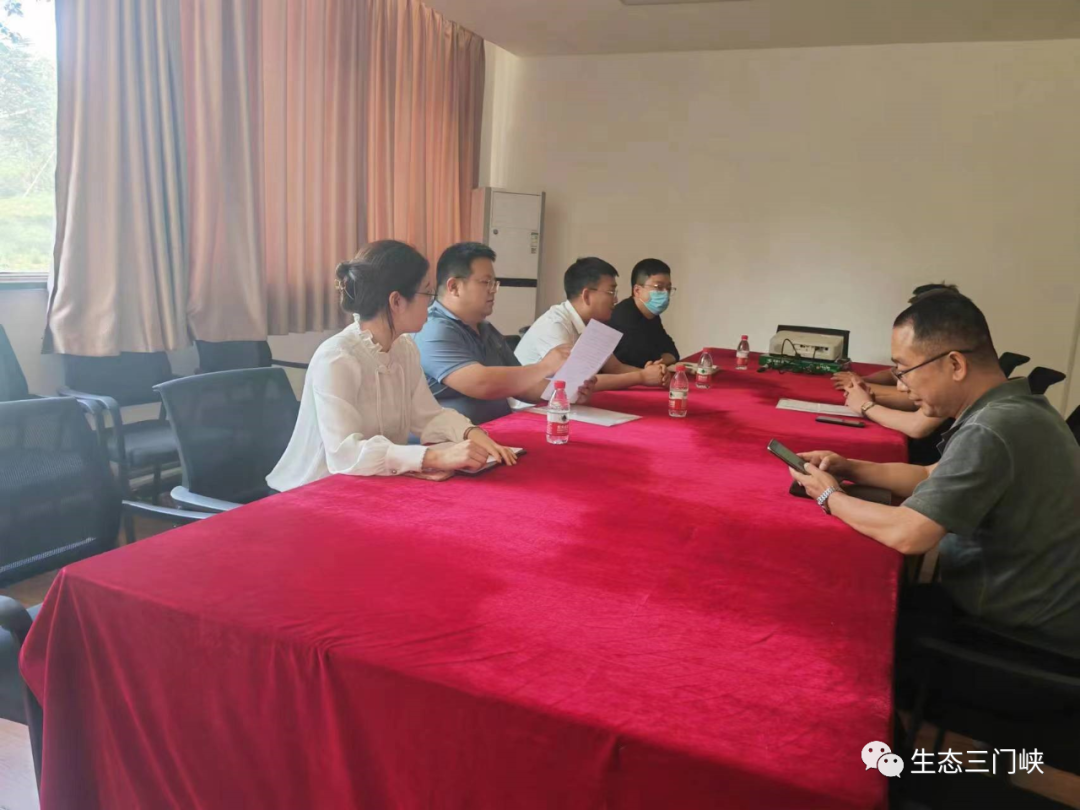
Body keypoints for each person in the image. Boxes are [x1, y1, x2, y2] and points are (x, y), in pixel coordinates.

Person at [789, 293, 1080, 643]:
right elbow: (931, 475)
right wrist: (850, 467)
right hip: (1041, 605)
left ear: (955, 365)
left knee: (838, 610)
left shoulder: (991, 428)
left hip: (1022, 631)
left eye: (905, 370)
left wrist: (828, 496)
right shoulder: (1017, 407)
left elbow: (910, 533)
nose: (900, 385)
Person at [267, 240, 517, 491]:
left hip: (374, 482)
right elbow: (345, 453)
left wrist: (471, 433)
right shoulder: (337, 358)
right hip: (315, 490)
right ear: (396, 301)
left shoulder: (404, 348)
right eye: (427, 293)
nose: (431, 304)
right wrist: (434, 457)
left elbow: (427, 416)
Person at [414, 242, 593, 424]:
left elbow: (522, 386)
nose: (493, 290)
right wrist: (544, 367)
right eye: (486, 282)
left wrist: (566, 391)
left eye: (494, 283)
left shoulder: (485, 329)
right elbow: (481, 383)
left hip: (496, 431)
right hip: (451, 439)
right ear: (454, 287)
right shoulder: (432, 329)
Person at [514, 257, 668, 391]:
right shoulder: (554, 325)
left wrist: (654, 373)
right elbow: (575, 380)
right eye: (611, 292)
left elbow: (615, 368)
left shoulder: (594, 324)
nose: (615, 299)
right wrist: (641, 377)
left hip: (562, 403)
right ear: (586, 295)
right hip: (530, 409)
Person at [608, 258, 680, 368]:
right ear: (637, 290)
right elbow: (642, 362)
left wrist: (660, 360)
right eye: (659, 287)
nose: (665, 293)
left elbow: (673, 352)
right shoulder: (624, 316)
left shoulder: (651, 314)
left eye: (668, 288)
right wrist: (661, 359)